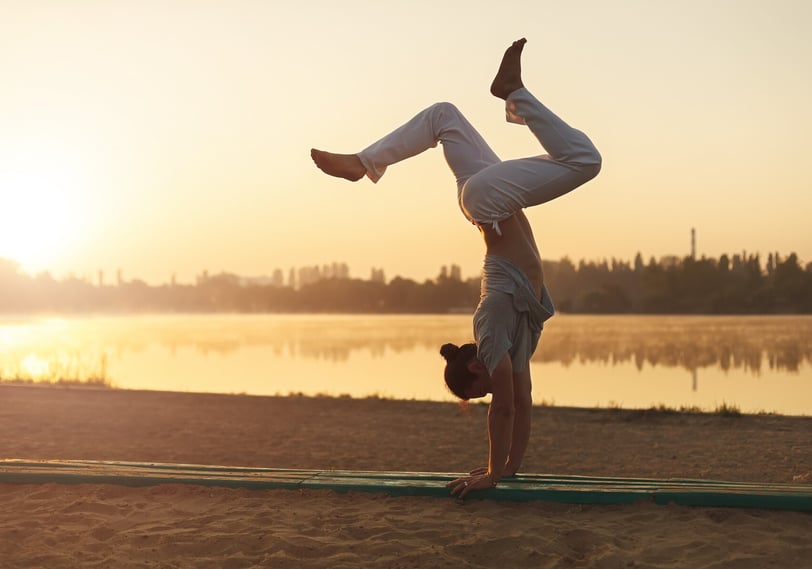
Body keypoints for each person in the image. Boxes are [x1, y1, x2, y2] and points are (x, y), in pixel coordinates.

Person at [311, 38, 601, 498]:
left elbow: (502, 410)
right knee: (442, 116)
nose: (490, 388)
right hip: (484, 197)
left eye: (479, 385)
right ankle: (362, 163)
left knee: (586, 160)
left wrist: (488, 474)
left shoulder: (489, 334)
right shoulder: (514, 347)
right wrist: (508, 470)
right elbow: (522, 406)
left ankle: (512, 95)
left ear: (472, 363)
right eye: (484, 391)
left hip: (486, 199)